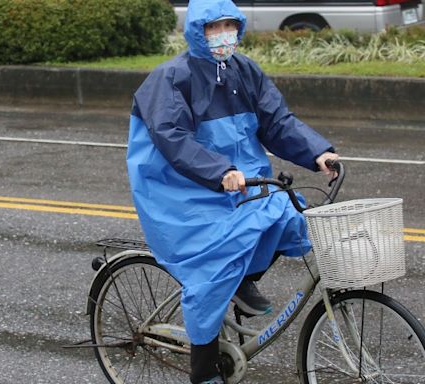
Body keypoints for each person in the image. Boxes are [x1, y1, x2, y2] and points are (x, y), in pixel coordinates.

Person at [126, 0, 339, 382]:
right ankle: (203, 370)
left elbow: (277, 121)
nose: (223, 34)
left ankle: (243, 280)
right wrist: (220, 170)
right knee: (213, 271)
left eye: (229, 25)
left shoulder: (244, 71)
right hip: (183, 192)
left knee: (290, 219)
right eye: (213, 26)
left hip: (241, 183)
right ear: (197, 30)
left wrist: (317, 152)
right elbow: (173, 138)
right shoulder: (171, 78)